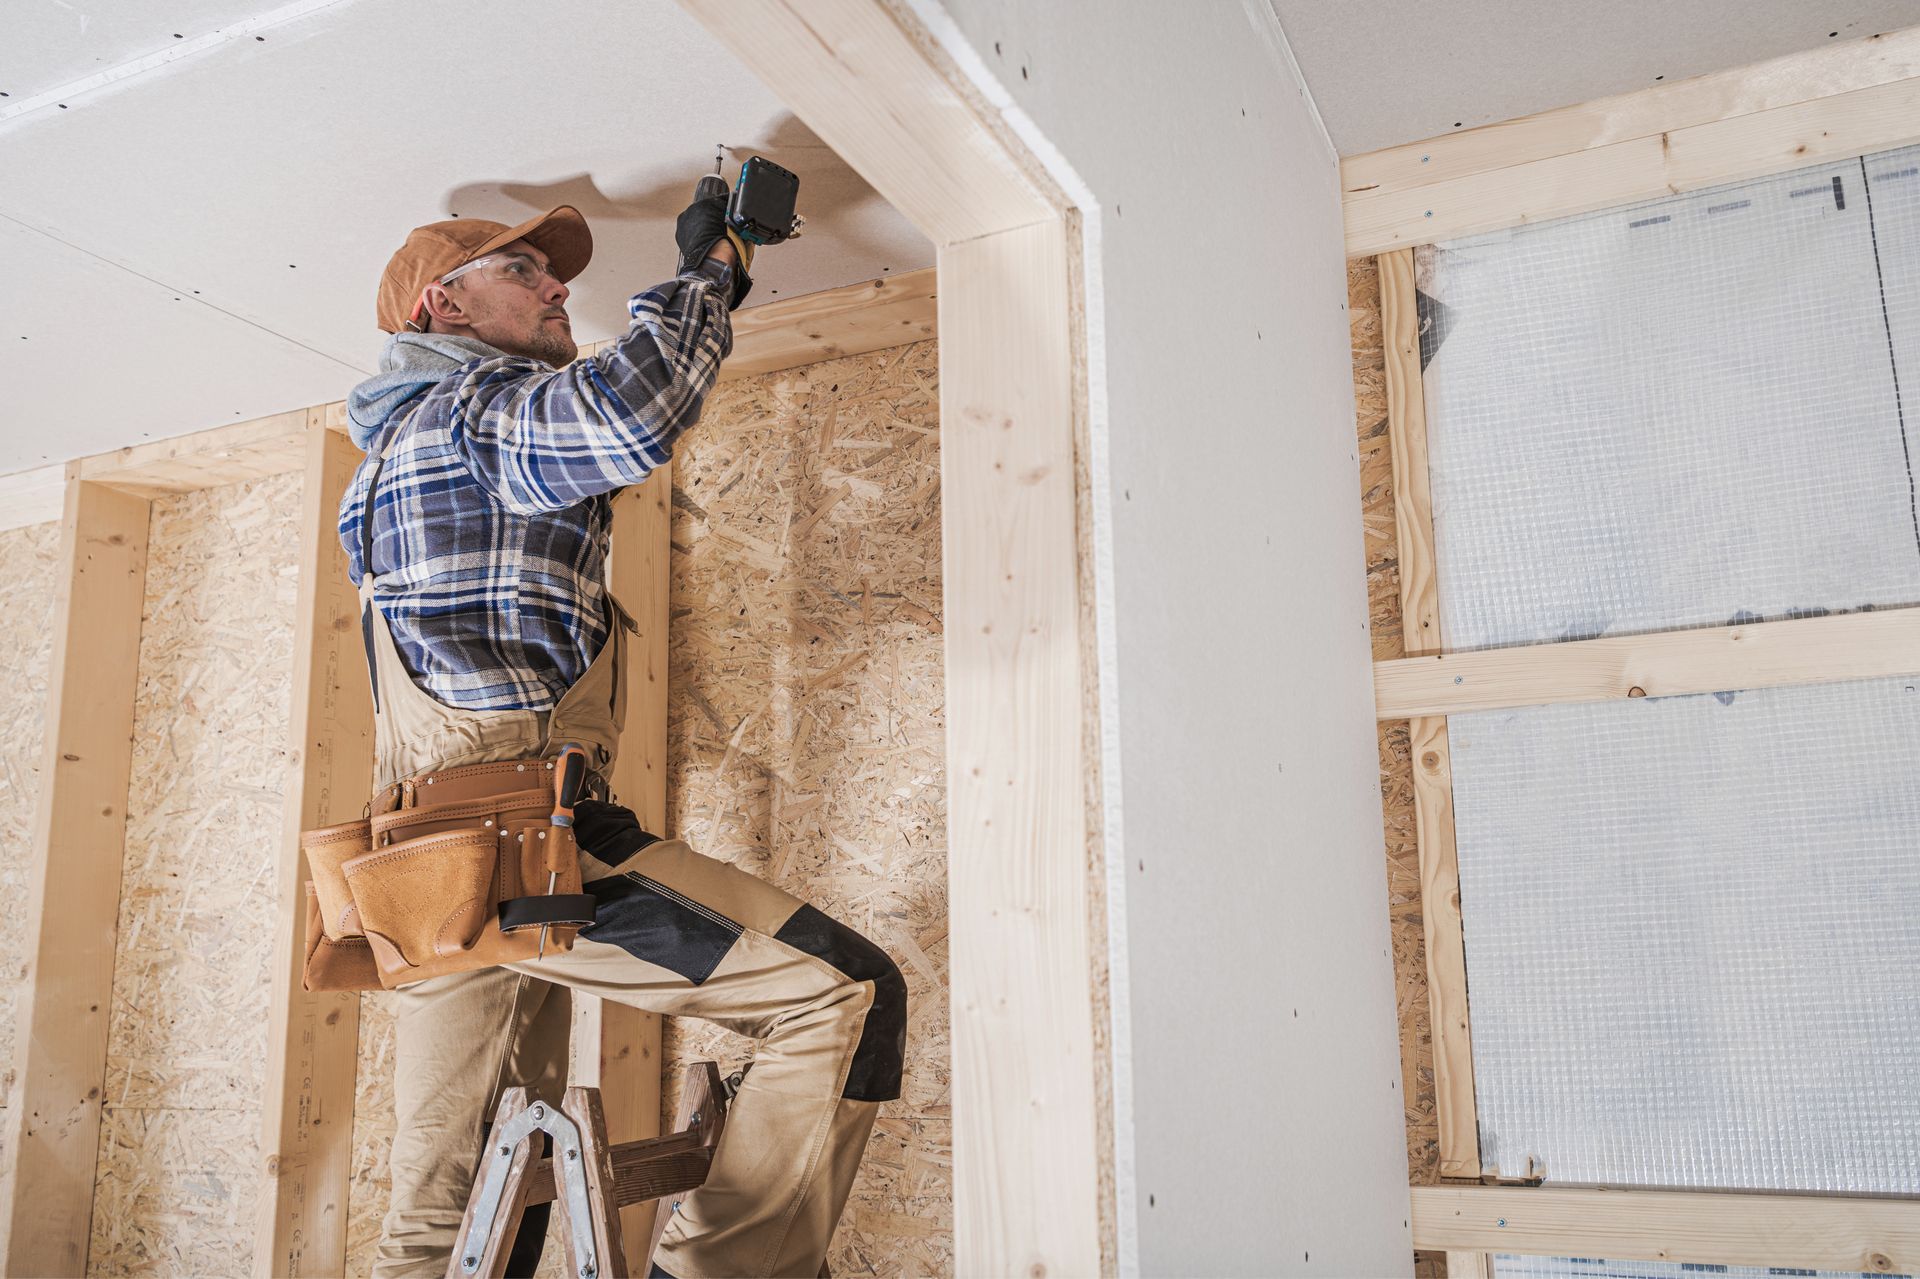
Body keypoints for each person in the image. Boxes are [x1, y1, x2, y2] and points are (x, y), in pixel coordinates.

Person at [339, 198, 906, 1278]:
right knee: (842, 993)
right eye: (524, 271)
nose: (559, 288)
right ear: (440, 305)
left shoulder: (394, 463)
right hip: (521, 842)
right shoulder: (468, 411)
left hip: (427, 871)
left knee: (455, 1216)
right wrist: (715, 267)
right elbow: (629, 413)